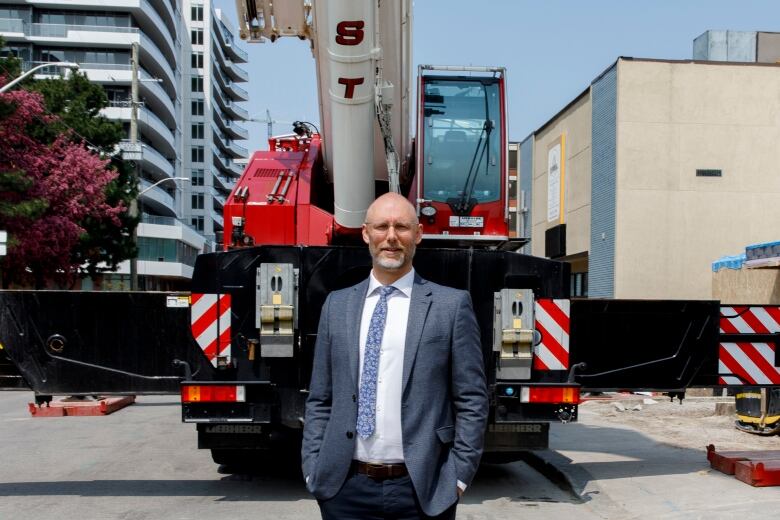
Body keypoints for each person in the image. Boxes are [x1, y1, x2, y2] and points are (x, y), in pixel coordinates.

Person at [302, 192, 488, 519]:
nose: (391, 237)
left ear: (417, 234)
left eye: (401, 226)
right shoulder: (337, 305)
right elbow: (321, 396)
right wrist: (312, 467)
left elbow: (472, 397)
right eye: (381, 226)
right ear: (365, 233)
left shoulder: (450, 306)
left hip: (423, 489)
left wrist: (458, 477)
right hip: (344, 489)